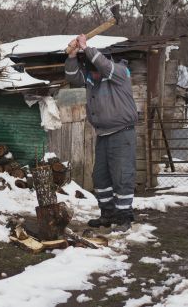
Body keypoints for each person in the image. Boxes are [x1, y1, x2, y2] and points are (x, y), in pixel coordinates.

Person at [65, 33, 138, 230]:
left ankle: (124, 217)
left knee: (122, 175)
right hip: (103, 134)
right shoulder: (92, 79)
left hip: (122, 132)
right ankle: (108, 214)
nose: (93, 76)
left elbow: (104, 66)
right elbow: (72, 78)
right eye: (91, 73)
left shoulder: (119, 72)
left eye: (95, 72)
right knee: (100, 177)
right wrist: (72, 57)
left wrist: (86, 47)